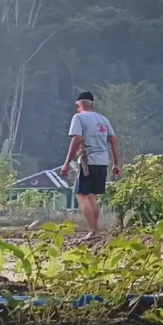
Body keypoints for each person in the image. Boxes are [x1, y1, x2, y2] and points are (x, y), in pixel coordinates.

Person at [58, 91, 120, 237]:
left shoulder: (79, 117)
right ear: (91, 104)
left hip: (88, 162)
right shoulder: (103, 119)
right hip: (102, 162)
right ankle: (96, 229)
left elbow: (77, 139)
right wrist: (116, 164)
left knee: (82, 195)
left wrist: (67, 162)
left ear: (78, 105)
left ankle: (93, 231)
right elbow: (113, 140)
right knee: (92, 196)